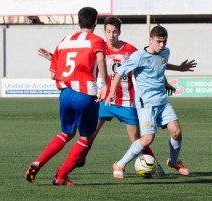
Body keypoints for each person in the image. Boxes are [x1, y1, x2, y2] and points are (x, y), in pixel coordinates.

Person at [37, 17, 196, 177]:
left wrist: (165, 81)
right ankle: (77, 161)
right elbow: (77, 63)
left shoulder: (131, 50)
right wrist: (54, 59)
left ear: (119, 32)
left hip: (126, 101)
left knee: (137, 138)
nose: (111, 35)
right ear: (104, 32)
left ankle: (153, 165)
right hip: (104, 99)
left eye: (114, 31)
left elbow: (155, 63)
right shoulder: (98, 47)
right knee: (88, 135)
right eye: (108, 31)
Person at [25, 7, 108, 186]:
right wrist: (106, 85)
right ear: (95, 22)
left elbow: (54, 75)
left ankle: (38, 162)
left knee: (67, 132)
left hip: (65, 94)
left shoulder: (65, 41)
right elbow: (100, 59)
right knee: (86, 137)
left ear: (78, 22)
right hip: (85, 94)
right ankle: (61, 176)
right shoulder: (97, 40)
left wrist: (53, 58)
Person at [105, 25, 195, 178]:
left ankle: (173, 161)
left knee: (177, 132)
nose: (162, 45)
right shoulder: (139, 56)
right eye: (159, 41)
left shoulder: (165, 52)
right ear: (150, 40)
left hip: (162, 101)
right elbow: (120, 72)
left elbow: (161, 65)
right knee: (147, 138)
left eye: (164, 42)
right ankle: (119, 164)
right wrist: (111, 92)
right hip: (145, 103)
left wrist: (177, 70)